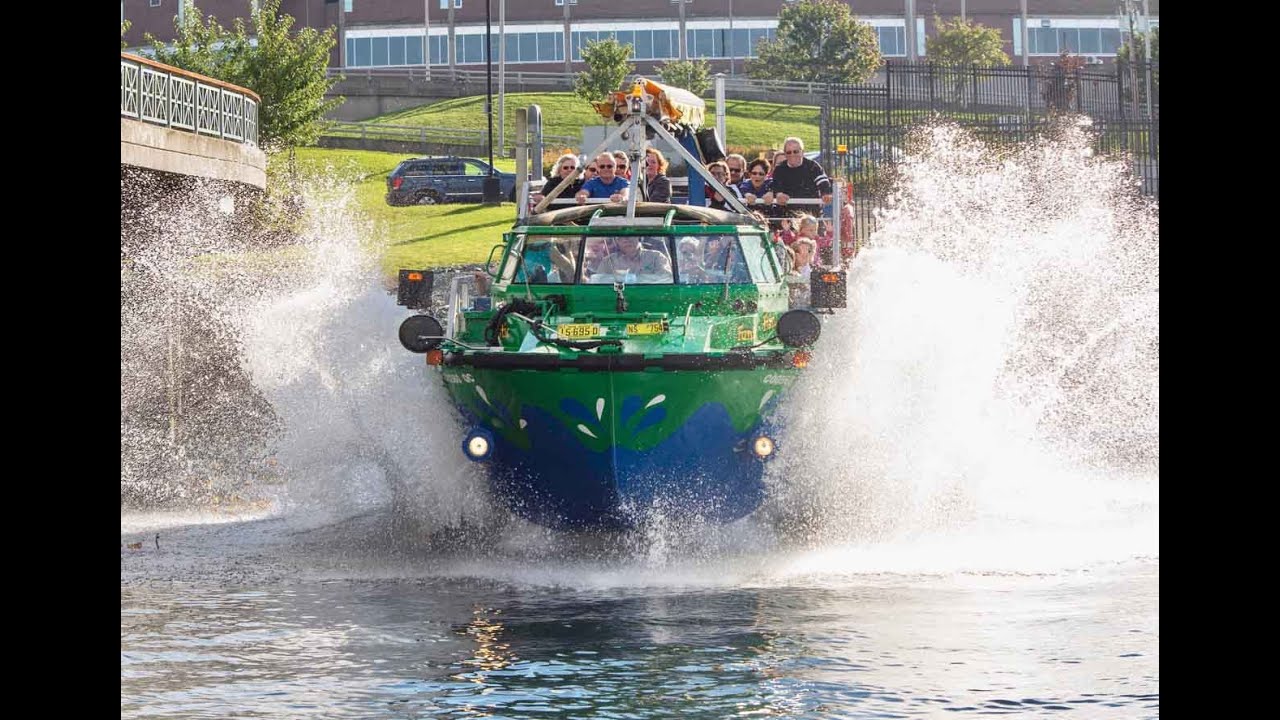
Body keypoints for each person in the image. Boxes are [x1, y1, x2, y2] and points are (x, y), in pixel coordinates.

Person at [771, 136, 832, 209]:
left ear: (802, 152)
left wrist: (825, 193)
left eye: (795, 151)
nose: (792, 155)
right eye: (788, 152)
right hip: (787, 213)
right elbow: (776, 186)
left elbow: (823, 181)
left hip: (811, 212)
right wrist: (779, 194)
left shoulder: (813, 166)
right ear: (785, 154)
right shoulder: (779, 169)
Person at [590, 236, 672, 282]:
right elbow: (598, 282)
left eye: (629, 235)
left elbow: (667, 279)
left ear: (638, 237)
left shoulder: (656, 257)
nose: (626, 240)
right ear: (616, 242)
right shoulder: (608, 261)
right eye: (620, 237)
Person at [785, 236, 817, 307]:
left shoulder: (814, 271)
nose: (804, 255)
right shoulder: (788, 270)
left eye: (808, 251)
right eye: (800, 252)